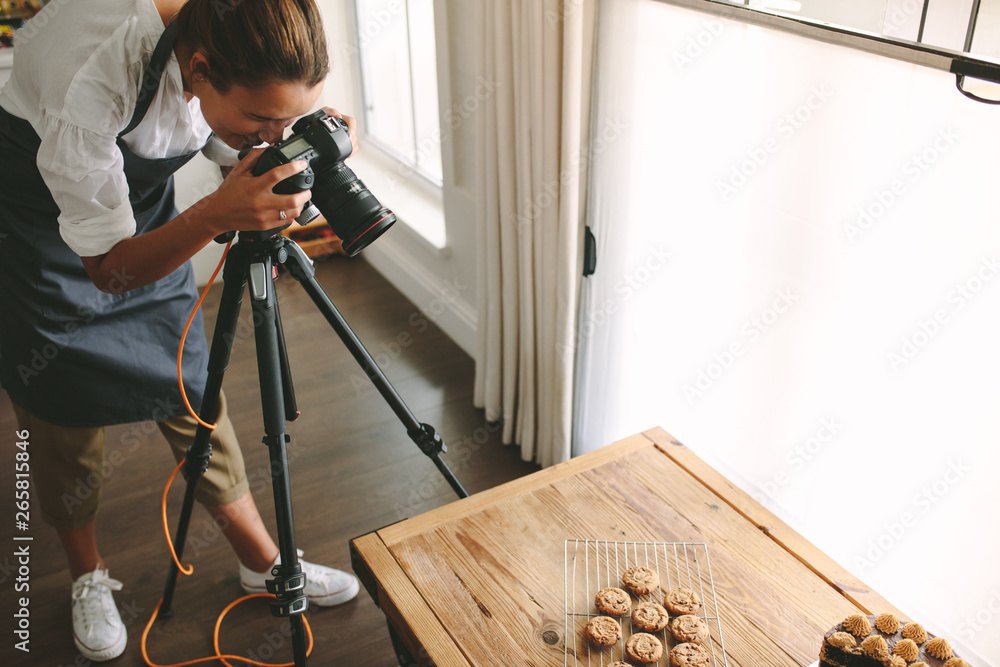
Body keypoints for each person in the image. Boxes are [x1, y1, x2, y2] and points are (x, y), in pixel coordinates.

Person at [0, 0, 361, 661]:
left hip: (136, 207)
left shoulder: (239, 36)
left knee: (191, 381)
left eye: (290, 116)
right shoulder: (91, 76)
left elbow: (231, 135)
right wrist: (215, 214)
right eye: (262, 120)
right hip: (40, 218)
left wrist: (287, 147)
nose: (272, 133)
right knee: (63, 415)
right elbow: (109, 270)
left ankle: (263, 559)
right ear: (198, 69)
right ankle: (86, 575)